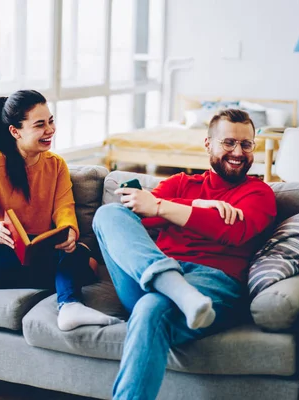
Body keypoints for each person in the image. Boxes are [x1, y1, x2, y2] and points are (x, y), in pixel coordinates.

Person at [92, 109, 277, 399]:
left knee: (152, 308)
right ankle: (178, 291)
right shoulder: (182, 184)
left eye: (246, 144)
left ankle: (180, 294)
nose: (238, 152)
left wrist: (164, 207)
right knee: (108, 214)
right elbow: (134, 214)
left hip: (213, 284)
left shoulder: (258, 193)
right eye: (229, 143)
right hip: (151, 278)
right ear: (208, 144)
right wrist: (200, 205)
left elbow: (231, 231)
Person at [0, 89, 121, 331]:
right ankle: (66, 292)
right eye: (39, 125)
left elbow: (64, 209)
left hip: (34, 250)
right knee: (82, 268)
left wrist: (69, 233)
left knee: (80, 256)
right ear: (15, 131)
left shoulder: (56, 165)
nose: (50, 130)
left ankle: (69, 306)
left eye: (51, 121)